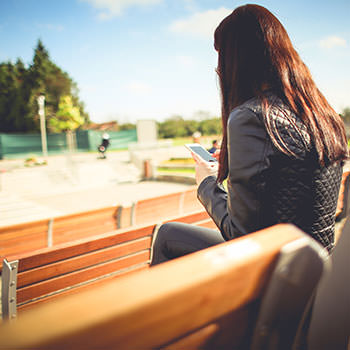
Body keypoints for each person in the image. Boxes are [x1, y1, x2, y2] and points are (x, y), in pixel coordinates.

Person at [150, 4, 348, 265]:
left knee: (167, 234)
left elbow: (240, 234)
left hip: (273, 270)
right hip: (317, 266)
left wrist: (206, 183)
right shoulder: (323, 115)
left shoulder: (251, 116)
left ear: (234, 60)